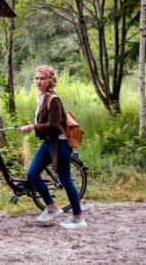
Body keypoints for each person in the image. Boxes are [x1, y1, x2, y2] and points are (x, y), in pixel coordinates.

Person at [19, 65, 87, 229]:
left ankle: (78, 218)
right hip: (48, 143)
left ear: (50, 80)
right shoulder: (42, 98)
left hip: (60, 144)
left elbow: (53, 125)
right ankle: (51, 207)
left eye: (42, 78)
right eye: (36, 78)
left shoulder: (53, 99)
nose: (38, 81)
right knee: (32, 174)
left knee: (66, 181)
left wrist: (32, 127)